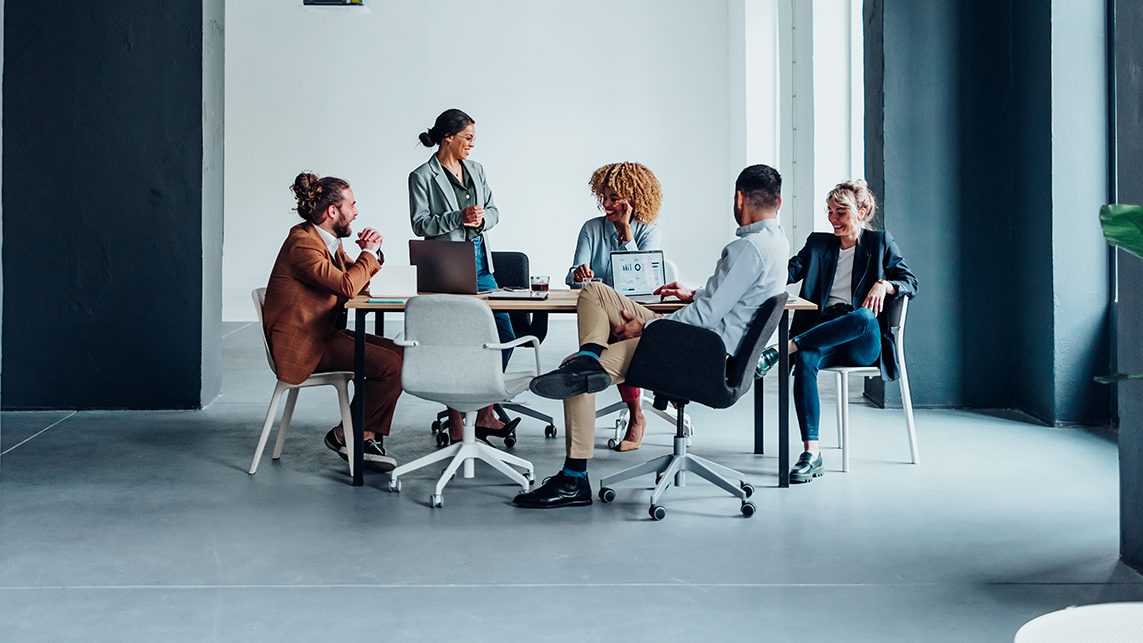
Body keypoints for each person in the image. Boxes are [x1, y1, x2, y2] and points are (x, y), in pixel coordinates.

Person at [514, 164, 790, 508]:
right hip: (713, 346)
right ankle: (589, 354)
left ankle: (573, 480)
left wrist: (645, 327)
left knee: (578, 382)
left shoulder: (745, 250)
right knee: (596, 292)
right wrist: (696, 293)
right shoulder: (776, 243)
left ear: (738, 198)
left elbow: (703, 319)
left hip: (700, 353)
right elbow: (731, 301)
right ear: (778, 203)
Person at [755, 179, 917, 484]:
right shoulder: (818, 244)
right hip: (823, 332)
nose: (833, 219)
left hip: (861, 340)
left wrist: (886, 283)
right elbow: (786, 273)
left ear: (862, 211)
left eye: (840, 212)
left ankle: (782, 349)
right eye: (829, 212)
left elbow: (911, 282)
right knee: (805, 360)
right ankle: (811, 453)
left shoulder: (880, 243)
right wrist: (765, 256)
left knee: (865, 317)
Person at [263, 172, 404, 471]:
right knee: (392, 366)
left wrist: (372, 254)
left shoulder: (328, 244)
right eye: (352, 205)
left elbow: (359, 279)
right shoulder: (302, 244)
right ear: (332, 211)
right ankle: (350, 435)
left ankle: (361, 435)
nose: (356, 211)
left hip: (323, 333)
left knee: (402, 354)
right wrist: (367, 254)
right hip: (305, 345)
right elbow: (347, 286)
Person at [408, 108, 519, 443]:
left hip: (480, 261)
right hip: (445, 263)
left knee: (503, 330)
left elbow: (495, 212)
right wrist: (457, 218)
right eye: (468, 138)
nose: (473, 145)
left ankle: (483, 409)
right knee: (454, 339)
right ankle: (459, 421)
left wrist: (481, 221)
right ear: (448, 138)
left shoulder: (476, 170)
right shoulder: (422, 176)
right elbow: (420, 223)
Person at [565, 161, 663, 452]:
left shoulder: (648, 231)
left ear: (632, 200)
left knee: (620, 327)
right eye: (603, 197)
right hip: (600, 308)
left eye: (613, 198)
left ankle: (634, 413)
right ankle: (630, 408)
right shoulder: (591, 229)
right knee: (610, 326)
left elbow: (643, 281)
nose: (605, 204)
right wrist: (578, 274)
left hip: (633, 309)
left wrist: (626, 232)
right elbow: (572, 276)